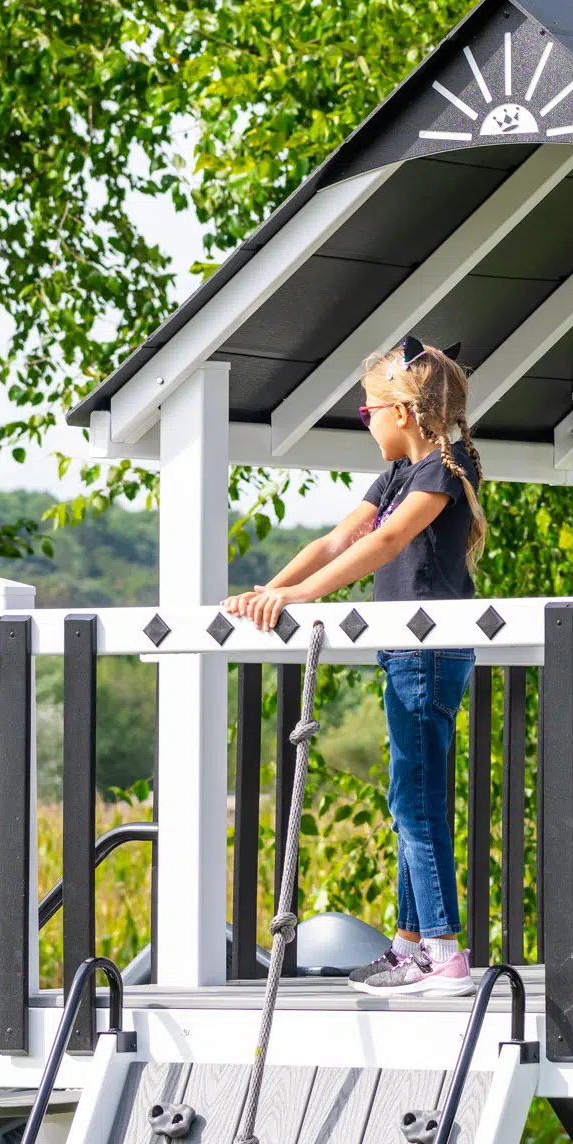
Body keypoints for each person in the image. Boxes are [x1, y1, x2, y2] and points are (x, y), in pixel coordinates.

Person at [224, 335, 486, 994]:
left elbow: (390, 539)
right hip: (406, 650)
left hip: (427, 651)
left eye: (369, 412)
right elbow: (338, 537)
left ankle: (444, 952)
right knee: (414, 799)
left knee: (415, 803)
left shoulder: (444, 470)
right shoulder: (399, 475)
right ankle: (409, 944)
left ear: (404, 412)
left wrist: (305, 596)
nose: (366, 423)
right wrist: (270, 591)